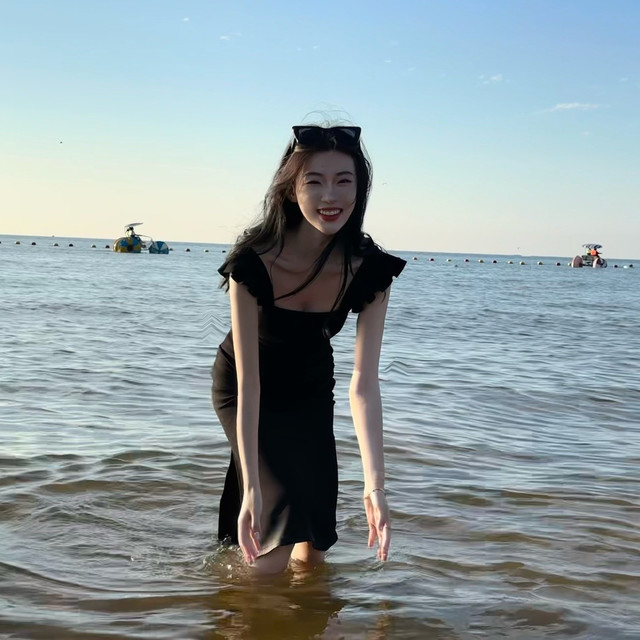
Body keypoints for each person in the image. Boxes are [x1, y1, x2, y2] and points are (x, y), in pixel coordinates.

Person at [211, 124, 405, 575]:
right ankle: (239, 604)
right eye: (314, 181)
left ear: (360, 189)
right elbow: (250, 383)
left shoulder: (369, 270)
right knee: (274, 537)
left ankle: (299, 610)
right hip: (245, 385)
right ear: (290, 188)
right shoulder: (253, 263)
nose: (329, 196)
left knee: (314, 544)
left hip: (311, 386)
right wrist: (252, 488)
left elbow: (364, 383)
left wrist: (375, 487)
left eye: (343, 180)